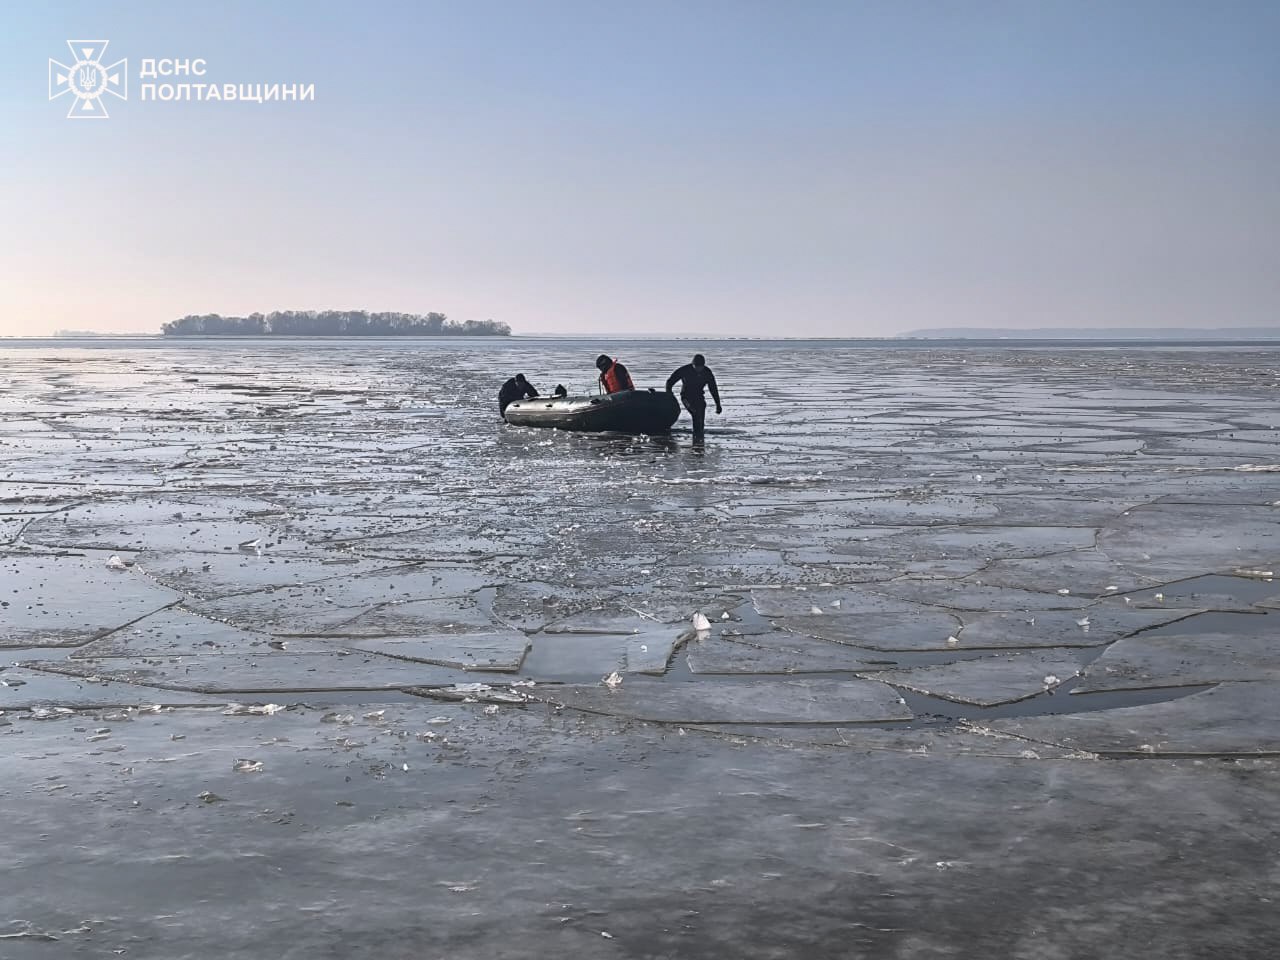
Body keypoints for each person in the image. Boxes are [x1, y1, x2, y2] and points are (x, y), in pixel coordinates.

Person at [666, 353, 722, 435]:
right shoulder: (684, 370)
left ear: (703, 366)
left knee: (701, 415)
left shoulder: (707, 372)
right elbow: (669, 382)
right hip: (686, 396)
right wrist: (669, 394)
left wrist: (718, 404)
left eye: (701, 367)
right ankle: (696, 436)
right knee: (695, 412)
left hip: (699, 396)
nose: (698, 369)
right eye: (696, 367)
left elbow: (713, 389)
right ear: (693, 365)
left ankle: (699, 437)